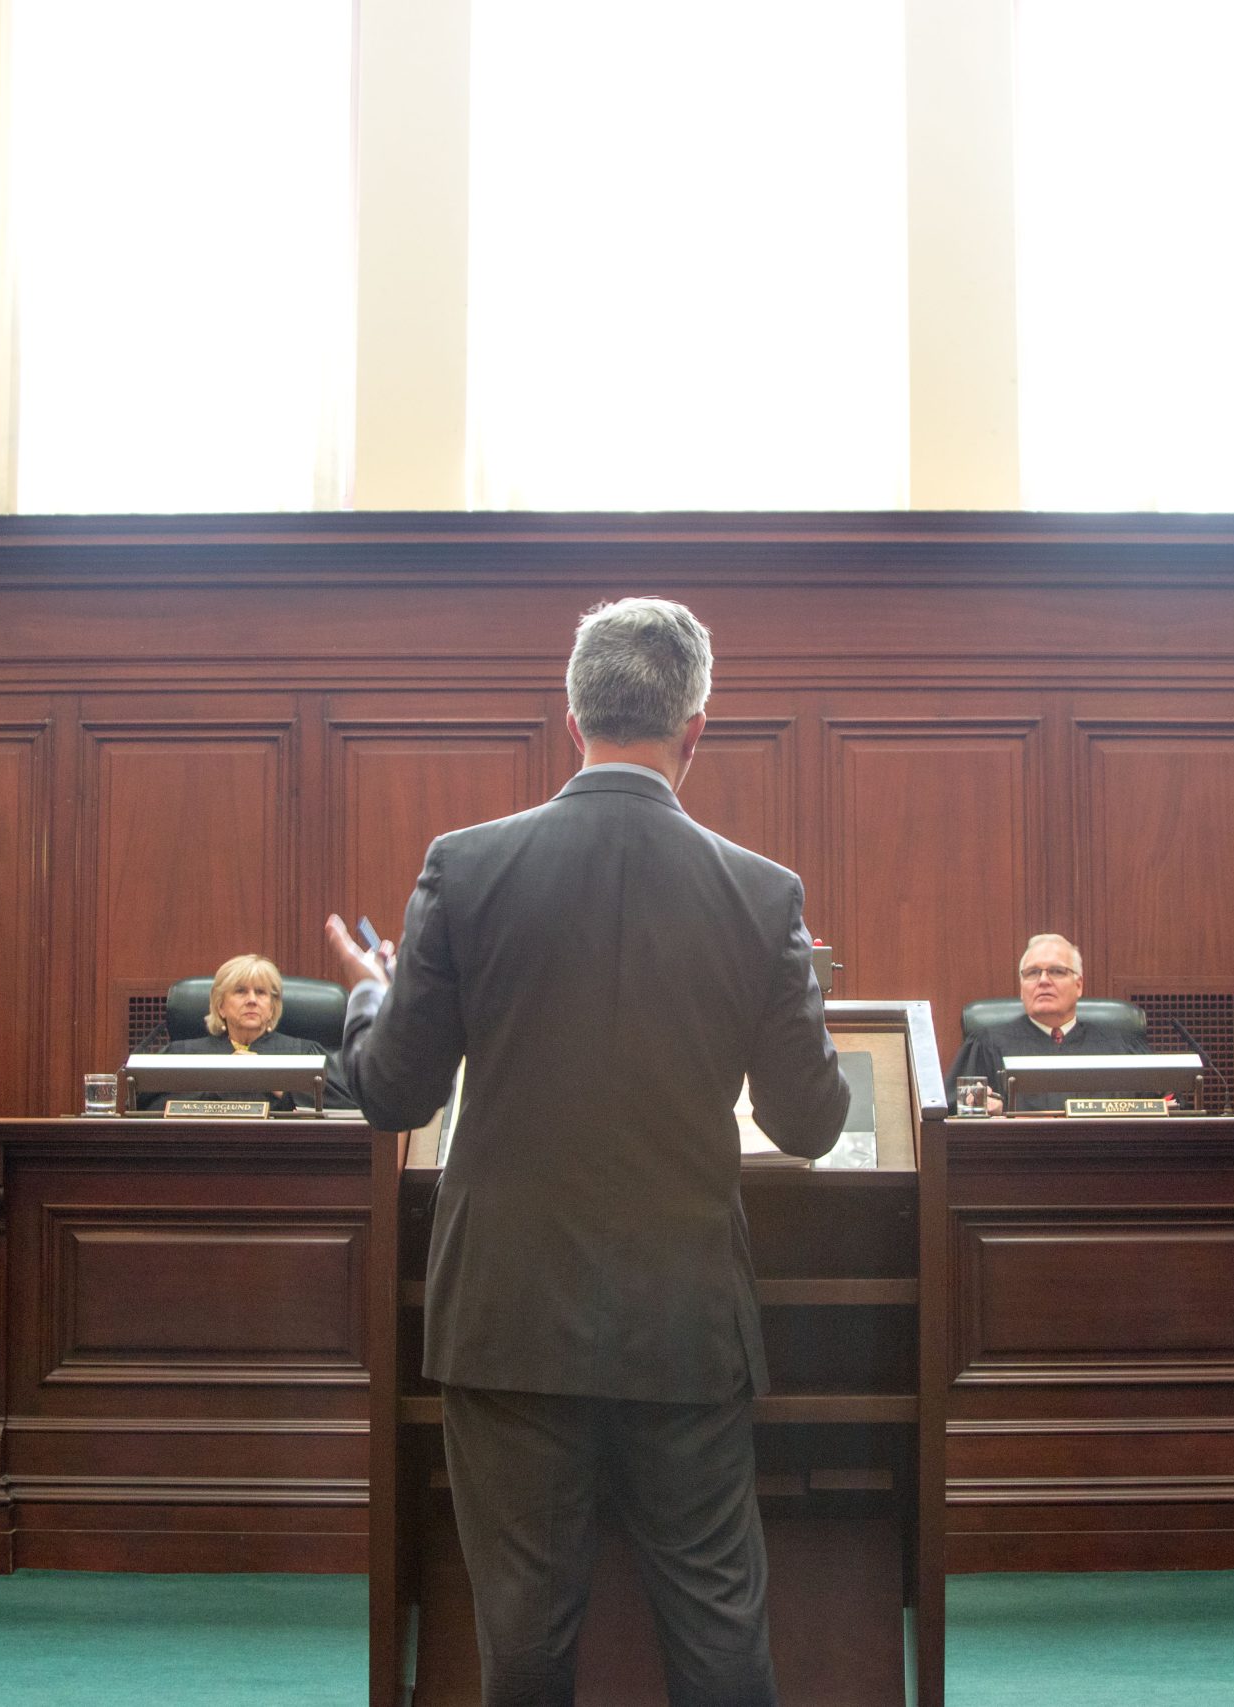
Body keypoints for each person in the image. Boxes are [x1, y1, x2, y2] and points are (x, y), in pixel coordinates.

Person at [324, 596, 850, 1707]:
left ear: (572, 720)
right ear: (696, 727)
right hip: (686, 1317)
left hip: (508, 1315)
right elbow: (810, 1123)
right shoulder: (764, 894)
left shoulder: (465, 867)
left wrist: (369, 998)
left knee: (523, 1644)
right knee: (719, 1634)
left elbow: (392, 1093)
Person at [947, 932, 1143, 1111]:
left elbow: (1155, 1106)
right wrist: (991, 1110)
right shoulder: (986, 1044)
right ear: (1022, 988)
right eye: (1032, 973)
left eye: (1057, 971)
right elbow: (956, 1109)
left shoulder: (1119, 1045)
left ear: (1078, 985)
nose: (1043, 981)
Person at [142, 953, 354, 1111]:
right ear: (220, 1006)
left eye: (261, 992)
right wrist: (219, 1081)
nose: (252, 1000)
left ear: (272, 1008)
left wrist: (277, 1083)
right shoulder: (183, 1054)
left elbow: (350, 1103)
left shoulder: (304, 1054)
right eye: (240, 991)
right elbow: (143, 1107)